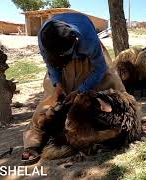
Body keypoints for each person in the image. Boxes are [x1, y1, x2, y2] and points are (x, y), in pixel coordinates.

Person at [22, 13, 126, 163]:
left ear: (75, 40)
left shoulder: (88, 39)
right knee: (50, 100)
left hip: (88, 59)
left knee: (112, 82)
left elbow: (100, 68)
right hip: (58, 64)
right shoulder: (44, 39)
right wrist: (57, 85)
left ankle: (132, 120)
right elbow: (51, 65)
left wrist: (81, 90)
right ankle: (33, 139)